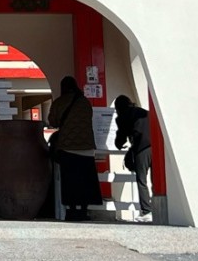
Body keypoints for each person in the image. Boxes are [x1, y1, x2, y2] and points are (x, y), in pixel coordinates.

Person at [47, 75, 102, 222]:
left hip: (68, 147)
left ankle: (71, 211)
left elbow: (53, 121)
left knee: (70, 181)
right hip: (87, 147)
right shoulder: (84, 102)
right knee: (85, 180)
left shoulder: (60, 102)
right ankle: (83, 210)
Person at [113, 94, 152, 222]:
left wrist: (119, 145)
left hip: (141, 148)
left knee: (141, 180)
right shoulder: (143, 112)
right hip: (154, 146)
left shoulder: (123, 116)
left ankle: (147, 211)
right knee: (155, 179)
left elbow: (121, 136)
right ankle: (158, 208)